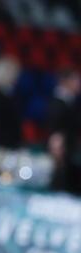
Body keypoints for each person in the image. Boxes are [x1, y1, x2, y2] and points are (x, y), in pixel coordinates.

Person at [47, 68, 81, 196]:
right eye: (76, 80)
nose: (78, 84)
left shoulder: (70, 101)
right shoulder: (57, 102)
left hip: (70, 148)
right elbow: (57, 129)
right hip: (62, 149)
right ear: (66, 81)